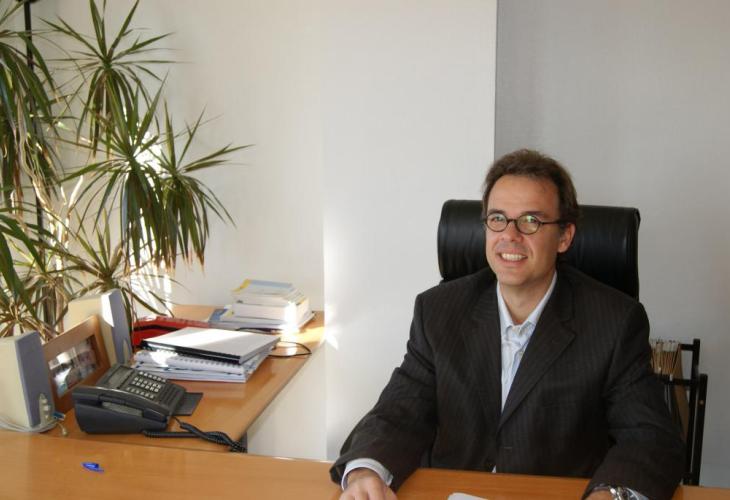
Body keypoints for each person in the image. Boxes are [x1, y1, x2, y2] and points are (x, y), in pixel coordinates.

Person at [330, 149, 684, 500]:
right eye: (498, 218)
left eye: (530, 221)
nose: (510, 235)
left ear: (564, 236)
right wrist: (365, 471)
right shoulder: (438, 311)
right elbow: (399, 411)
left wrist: (611, 495)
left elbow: (649, 437)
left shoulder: (614, 323)